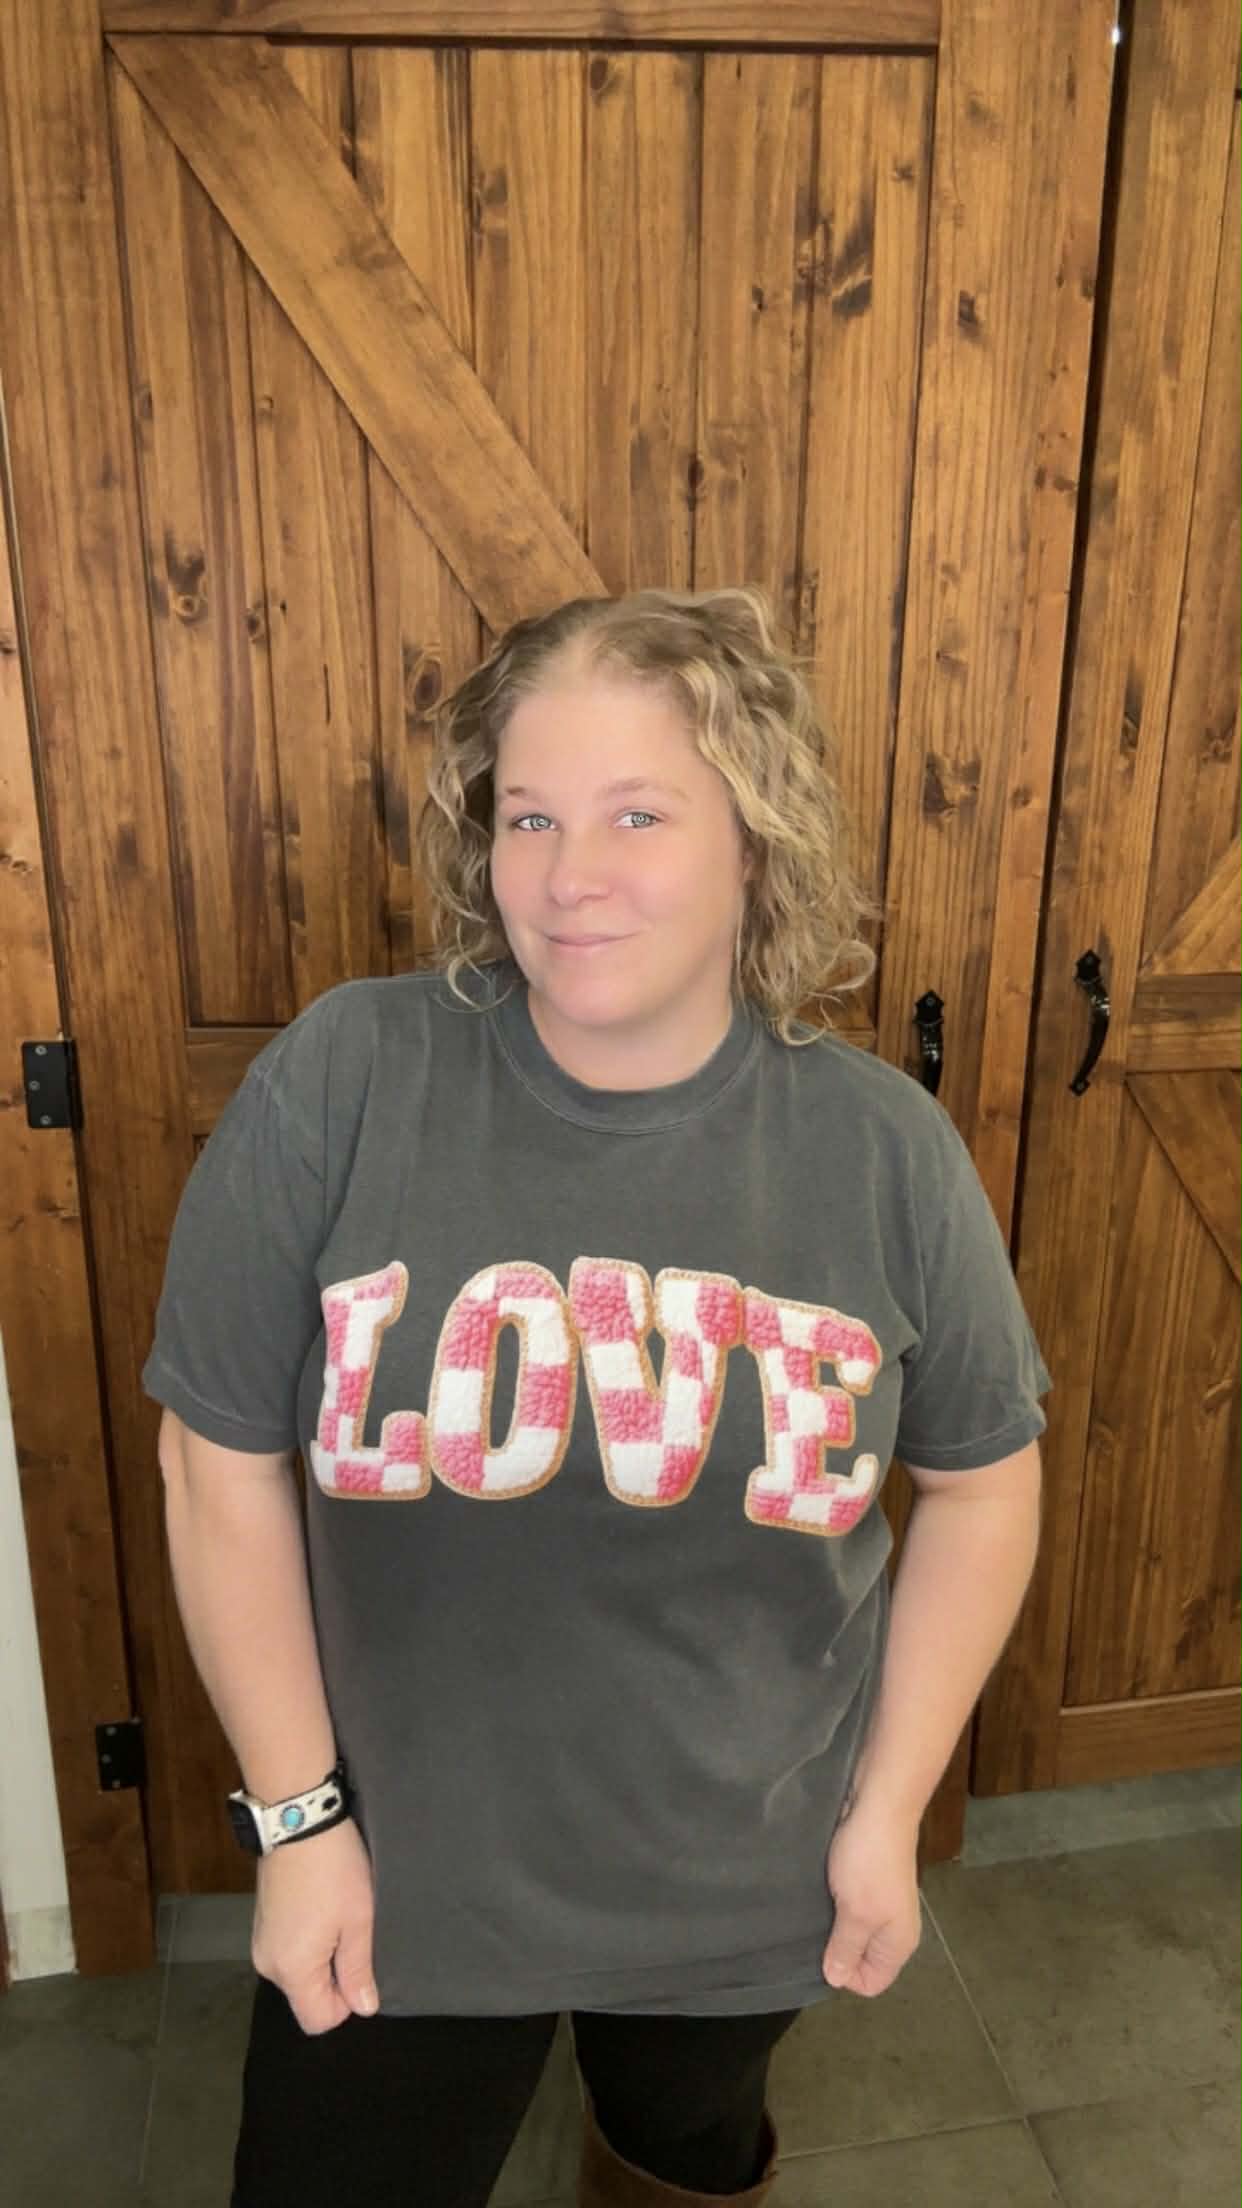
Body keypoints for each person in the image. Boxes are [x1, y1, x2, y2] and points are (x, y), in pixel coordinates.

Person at [144, 584, 1051, 2208]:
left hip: (745, 1878)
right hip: (394, 1883)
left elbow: (984, 1482)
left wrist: (886, 1812)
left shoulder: (882, 1153)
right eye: (528, 815)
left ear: (752, 842)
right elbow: (214, 1460)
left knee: (675, 2164)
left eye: (638, 813)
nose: (569, 877)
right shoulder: (347, 1079)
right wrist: (297, 1825)